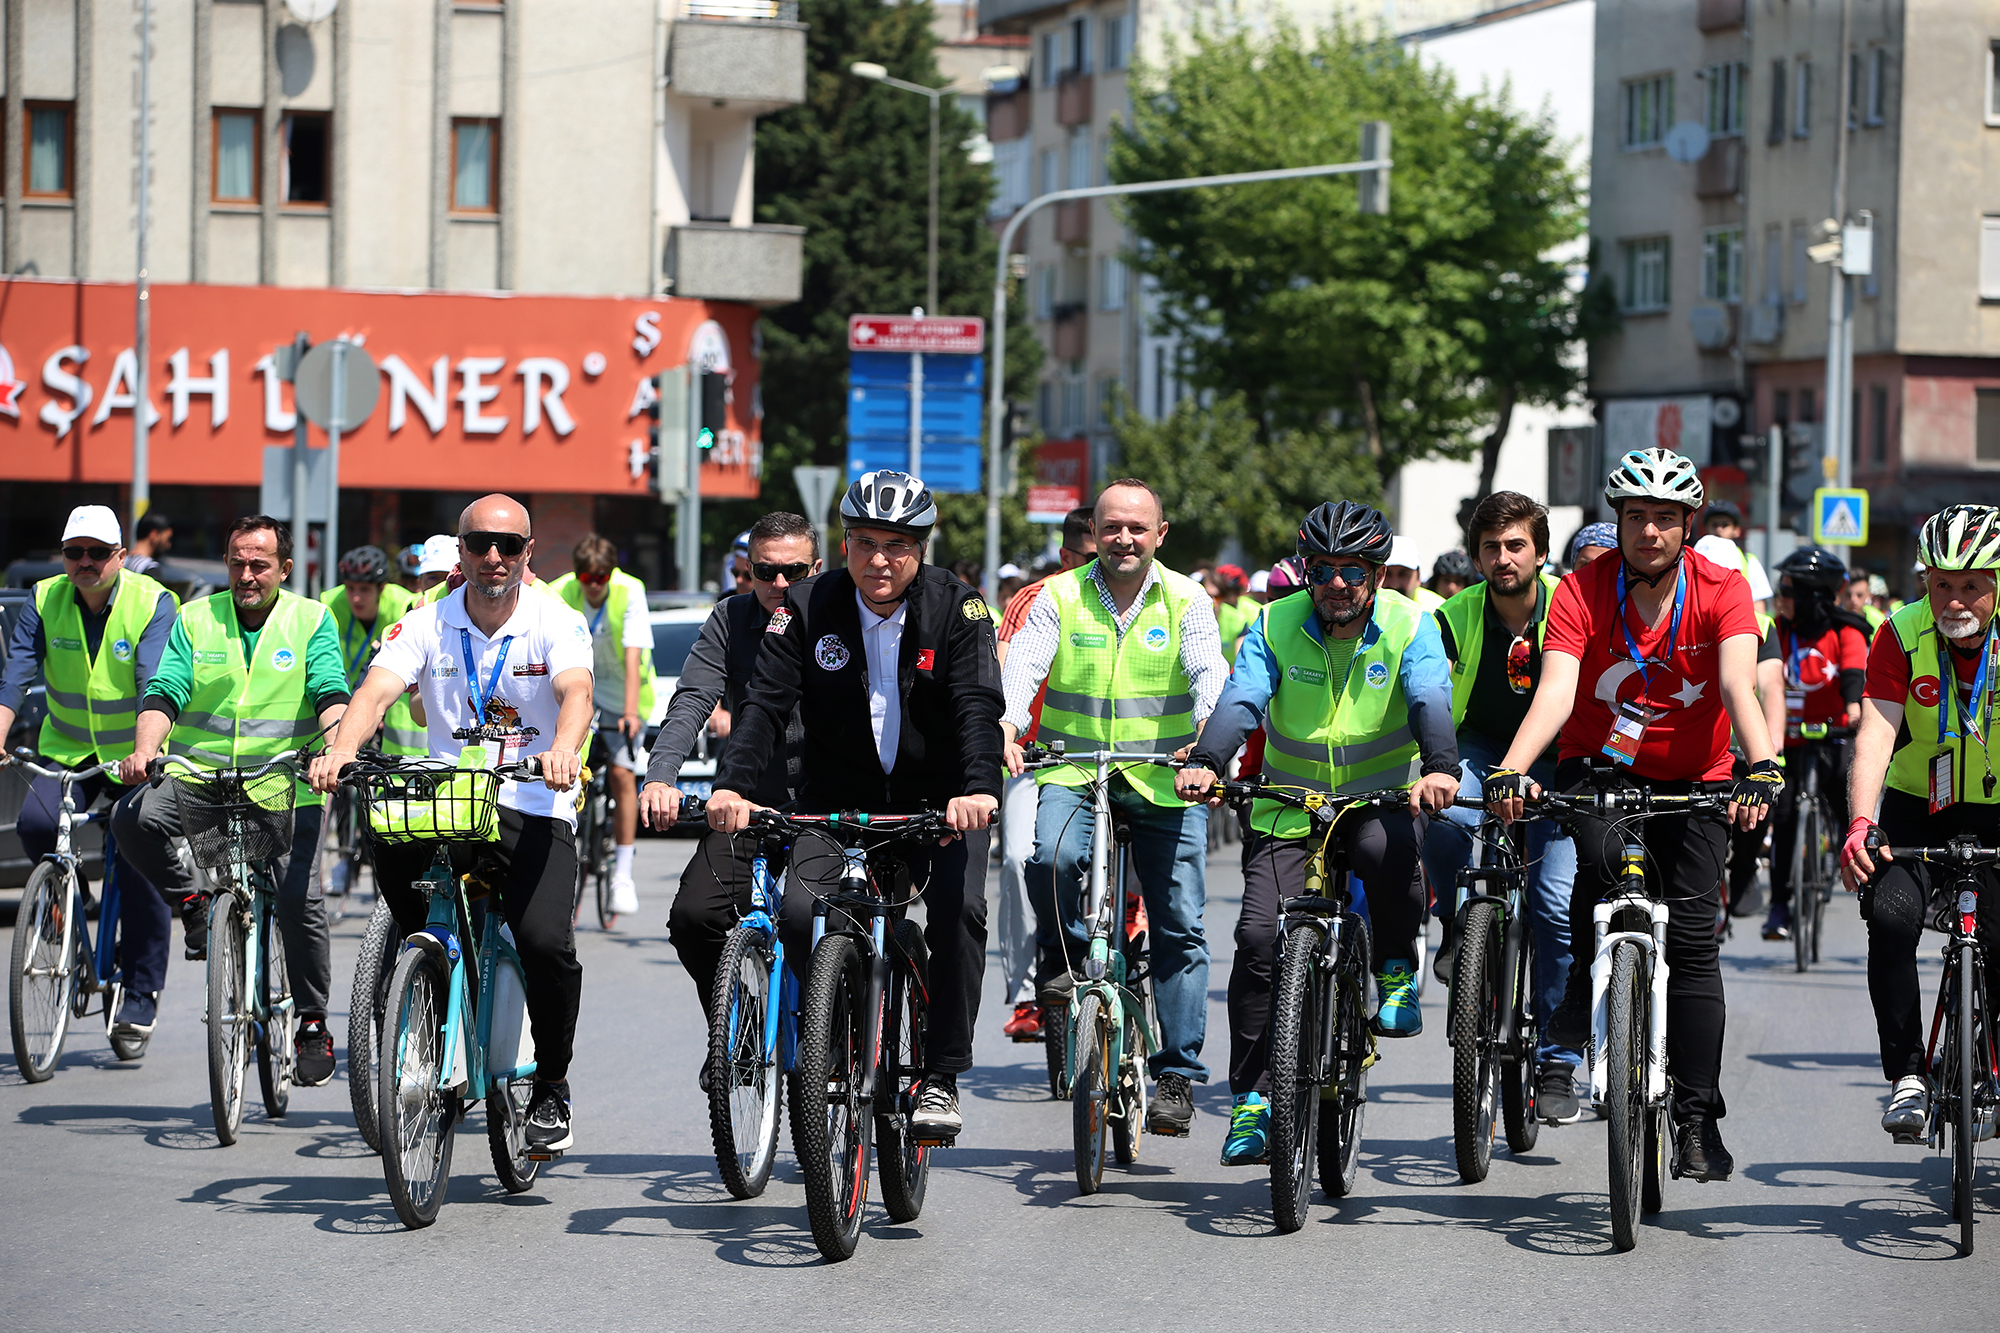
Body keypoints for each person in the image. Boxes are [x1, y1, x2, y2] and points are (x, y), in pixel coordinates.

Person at [1486, 447, 1780, 1183]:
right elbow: (1556, 691)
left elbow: (1739, 685)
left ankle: (1695, 1118)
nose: (1650, 531)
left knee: (1693, 943)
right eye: (1636, 516)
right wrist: (1513, 767)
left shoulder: (1724, 588)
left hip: (1697, 776)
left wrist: (1762, 763)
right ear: (1617, 520)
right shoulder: (1583, 588)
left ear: (1690, 524)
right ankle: (1575, 1011)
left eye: (1666, 518)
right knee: (1601, 864)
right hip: (1600, 766)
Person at [704, 470, 1003, 1140]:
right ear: (843, 545)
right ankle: (830, 1045)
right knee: (797, 910)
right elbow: (762, 707)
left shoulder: (960, 608)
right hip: (836, 801)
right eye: (865, 542)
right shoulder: (807, 607)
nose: (879, 559)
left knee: (961, 908)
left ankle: (942, 1074)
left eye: (897, 545)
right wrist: (731, 785)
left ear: (921, 547)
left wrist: (979, 790)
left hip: (940, 802)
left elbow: (977, 709)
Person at [1179, 500, 1460, 1165]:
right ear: (1307, 570)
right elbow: (1243, 697)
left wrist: (1441, 767)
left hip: (1375, 798)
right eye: (1324, 568)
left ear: (1377, 573)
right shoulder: (1276, 621)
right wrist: (1206, 760)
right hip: (1286, 803)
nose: (1337, 583)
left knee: (1384, 853)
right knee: (1254, 939)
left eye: (1354, 570)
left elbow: (1427, 698)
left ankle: (1394, 967)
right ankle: (1251, 1100)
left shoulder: (1408, 624)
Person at [310, 494, 592, 1154]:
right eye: (479, 544)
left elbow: (575, 691)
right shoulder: (426, 623)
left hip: (532, 799)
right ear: (458, 553)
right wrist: (341, 749)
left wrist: (563, 750)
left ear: (528, 553)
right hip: (451, 800)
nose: (494, 556)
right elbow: (376, 691)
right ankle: (426, 981)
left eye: (509, 545)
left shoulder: (556, 620)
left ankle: (552, 1083)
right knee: (389, 836)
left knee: (546, 943)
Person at [1001, 481, 1225, 1137]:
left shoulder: (1186, 598)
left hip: (1165, 781)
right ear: (1092, 532)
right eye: (1111, 526)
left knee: (1179, 923)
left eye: (1137, 527)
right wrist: (1009, 726)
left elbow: (1209, 672)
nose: (1123, 537)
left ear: (1160, 534)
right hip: (1076, 771)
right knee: (1047, 858)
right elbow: (1026, 669)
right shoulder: (1058, 597)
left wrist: (1207, 744)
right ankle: (1063, 965)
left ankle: (1177, 1072)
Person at [115, 516, 351, 1086]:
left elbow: (330, 692)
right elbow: (164, 690)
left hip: (285, 784)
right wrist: (145, 750)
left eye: (260, 564)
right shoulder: (196, 618)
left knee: (299, 895)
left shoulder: (310, 618)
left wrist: (336, 750)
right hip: (205, 779)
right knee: (133, 818)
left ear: (284, 569)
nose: (247, 574)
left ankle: (313, 1021)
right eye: (238, 563)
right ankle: (194, 904)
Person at [1419, 492, 1582, 1122]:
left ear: (1540, 552)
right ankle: (1456, 923)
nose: (1503, 557)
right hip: (1481, 750)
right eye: (1491, 547)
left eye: (1516, 545)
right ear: (1476, 554)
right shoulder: (1454, 614)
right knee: (1441, 816)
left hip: (1560, 758)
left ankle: (1558, 1057)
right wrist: (1436, 768)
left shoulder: (1571, 606)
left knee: (1552, 902)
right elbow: (1432, 695)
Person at [1841, 505, 2000, 1141]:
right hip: (1918, 805)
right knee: (1891, 914)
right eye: (1942, 583)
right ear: (1924, 581)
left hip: (1996, 808)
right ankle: (1908, 1074)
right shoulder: (1899, 633)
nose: (1954, 599)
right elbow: (1877, 730)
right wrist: (1860, 822)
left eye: (1972, 584)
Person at [0, 506, 178, 1048]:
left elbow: (155, 681)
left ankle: (141, 992)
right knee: (34, 824)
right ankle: (56, 900)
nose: (85, 562)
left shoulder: (153, 603)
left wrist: (144, 751)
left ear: (121, 557)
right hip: (68, 751)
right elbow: (14, 678)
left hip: (135, 754)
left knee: (141, 862)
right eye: (75, 551)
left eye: (98, 552)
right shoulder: (43, 598)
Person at [640, 511, 820, 1026]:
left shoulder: (841, 618)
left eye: (795, 572)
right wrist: (660, 777)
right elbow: (694, 698)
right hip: (744, 802)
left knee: (806, 920)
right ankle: (734, 1028)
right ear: (748, 569)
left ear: (819, 568)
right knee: (694, 918)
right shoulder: (729, 617)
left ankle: (828, 1039)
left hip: (823, 805)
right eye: (764, 572)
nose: (779, 584)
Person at [992, 505, 1097, 1042]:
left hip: (1110, 761)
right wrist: (1007, 731)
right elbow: (1010, 668)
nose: (1104, 564)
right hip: (1033, 758)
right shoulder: (1033, 600)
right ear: (1065, 556)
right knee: (1016, 861)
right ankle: (1030, 992)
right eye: (1089, 556)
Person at [1759, 547, 1870, 942]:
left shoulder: (1846, 631)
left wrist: (1855, 708)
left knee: (1845, 798)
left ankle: (1854, 871)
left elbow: (1854, 673)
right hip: (1787, 738)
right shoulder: (1779, 630)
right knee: (1785, 817)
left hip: (1834, 732)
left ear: (1813, 596)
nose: (1780, 598)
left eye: (1788, 591)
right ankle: (1779, 906)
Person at [548, 534, 656, 917]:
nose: (594, 584)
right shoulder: (560, 590)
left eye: (601, 576)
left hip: (623, 694)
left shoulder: (630, 590)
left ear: (612, 574)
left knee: (623, 776)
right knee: (567, 767)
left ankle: (623, 874)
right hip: (579, 690)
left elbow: (633, 656)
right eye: (586, 576)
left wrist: (629, 713)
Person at [1701, 500, 1775, 618]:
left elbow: (1758, 608)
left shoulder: (1749, 562)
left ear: (1737, 530)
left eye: (1725, 525)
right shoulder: (1695, 555)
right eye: (1714, 525)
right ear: (1706, 528)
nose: (1719, 529)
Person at [1382, 535, 1444, 611]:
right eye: (1386, 574)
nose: (1394, 584)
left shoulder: (1437, 610)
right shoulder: (1365, 609)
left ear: (1418, 577)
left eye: (1403, 574)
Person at [124, 511, 173, 578]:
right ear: (154, 535)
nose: (168, 545)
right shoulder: (151, 568)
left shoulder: (121, 562)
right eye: (168, 539)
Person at [1841, 569, 1888, 636]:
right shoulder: (1833, 620)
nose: (1853, 600)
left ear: (1868, 595)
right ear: (1841, 595)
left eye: (1859, 595)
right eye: (1848, 595)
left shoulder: (1878, 620)